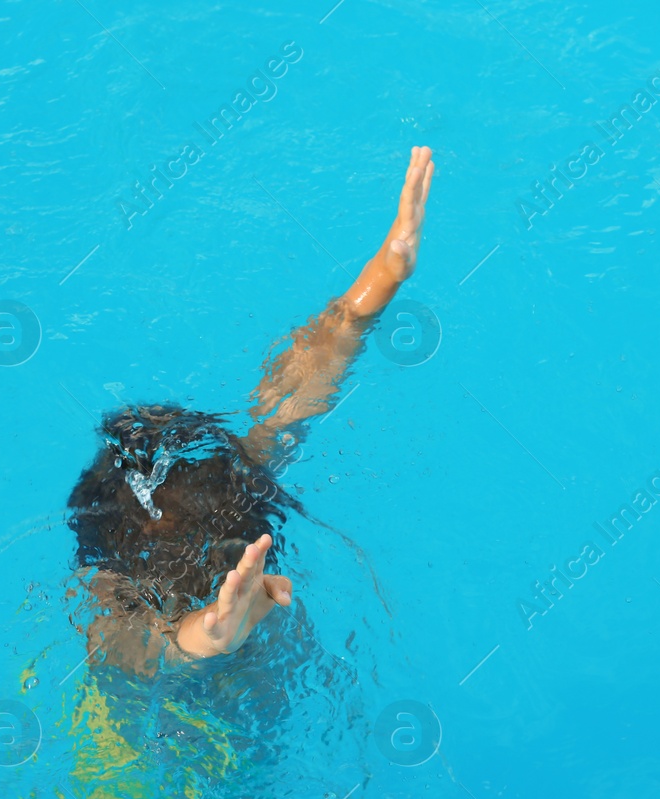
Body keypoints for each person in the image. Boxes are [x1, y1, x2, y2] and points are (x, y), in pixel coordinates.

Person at [66, 146, 434, 675]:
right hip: (269, 645)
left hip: (167, 702)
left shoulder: (101, 569)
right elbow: (311, 371)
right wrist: (385, 273)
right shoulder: (245, 472)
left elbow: (125, 643)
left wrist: (204, 638)